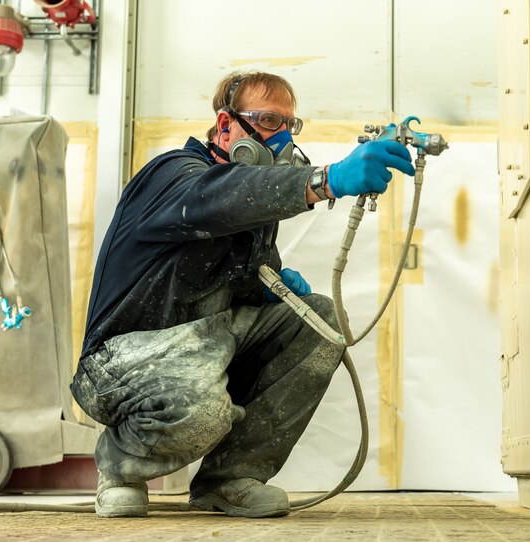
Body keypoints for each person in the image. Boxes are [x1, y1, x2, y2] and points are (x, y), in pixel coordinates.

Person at [70, 70, 415, 519]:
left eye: (291, 125)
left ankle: (229, 479)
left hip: (203, 347)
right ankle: (120, 469)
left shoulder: (251, 209)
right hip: (122, 362)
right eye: (270, 121)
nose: (282, 138)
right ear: (226, 125)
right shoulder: (172, 175)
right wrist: (326, 179)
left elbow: (229, 267)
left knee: (318, 321)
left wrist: (267, 287)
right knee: (201, 409)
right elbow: (221, 198)